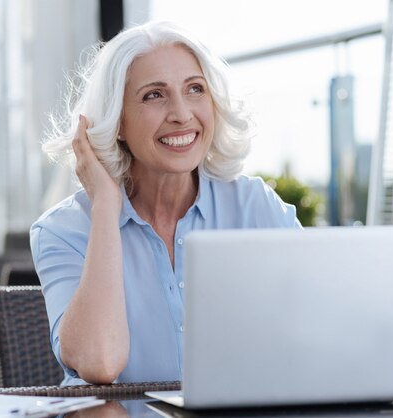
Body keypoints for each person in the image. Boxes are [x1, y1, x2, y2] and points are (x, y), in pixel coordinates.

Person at [31, 21, 302, 386]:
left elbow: (321, 326)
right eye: (153, 95)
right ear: (118, 122)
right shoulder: (62, 231)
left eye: (195, 89)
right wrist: (106, 208)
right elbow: (99, 363)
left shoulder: (254, 206)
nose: (181, 113)